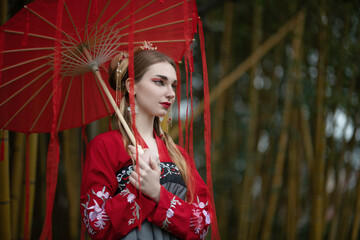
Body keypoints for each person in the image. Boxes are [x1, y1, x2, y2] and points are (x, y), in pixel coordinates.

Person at [80, 44, 211, 240]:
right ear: (131, 86)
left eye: (173, 85)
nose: (171, 93)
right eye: (160, 82)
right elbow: (96, 224)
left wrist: (158, 193)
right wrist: (137, 190)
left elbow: (201, 224)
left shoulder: (179, 155)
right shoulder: (104, 146)